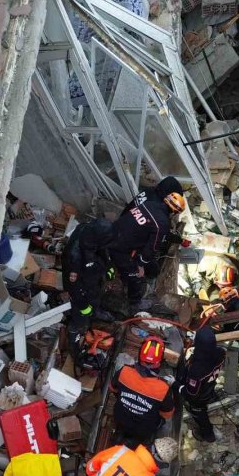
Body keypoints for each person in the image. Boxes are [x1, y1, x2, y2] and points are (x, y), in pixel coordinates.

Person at [110, 177, 187, 311]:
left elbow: (156, 230)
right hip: (121, 246)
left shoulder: (151, 203)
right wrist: (140, 265)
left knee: (150, 266)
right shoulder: (162, 222)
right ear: (174, 211)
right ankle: (134, 304)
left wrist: (179, 240)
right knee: (135, 276)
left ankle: (139, 278)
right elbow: (152, 247)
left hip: (119, 230)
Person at [110, 336, 175, 446]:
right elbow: (167, 414)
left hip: (120, 418)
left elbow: (113, 389)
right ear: (160, 361)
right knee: (159, 423)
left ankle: (118, 437)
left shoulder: (124, 371)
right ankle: (138, 444)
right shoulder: (163, 388)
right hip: (143, 428)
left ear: (139, 355)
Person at [61, 218, 116, 337]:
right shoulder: (74, 256)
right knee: (80, 309)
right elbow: (73, 286)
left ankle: (95, 311)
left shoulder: (90, 229)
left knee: (95, 294)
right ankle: (78, 326)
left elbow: (103, 249)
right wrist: (83, 306)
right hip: (80, 284)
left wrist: (108, 265)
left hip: (92, 274)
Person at [177, 327, 225, 442]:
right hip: (209, 386)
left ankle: (208, 435)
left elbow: (191, 394)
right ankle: (211, 398)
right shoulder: (220, 352)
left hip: (198, 398)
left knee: (199, 414)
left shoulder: (197, 370)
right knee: (206, 391)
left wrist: (176, 385)